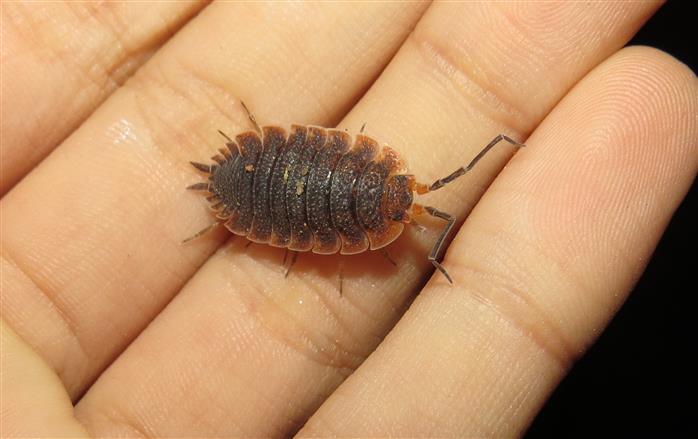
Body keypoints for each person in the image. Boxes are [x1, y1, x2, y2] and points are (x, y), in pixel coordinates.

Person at [1, 2, 695, 437]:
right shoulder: (362, 217)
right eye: (413, 192)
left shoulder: (373, 189)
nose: (416, 204)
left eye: (412, 202)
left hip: (268, 189)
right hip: (256, 180)